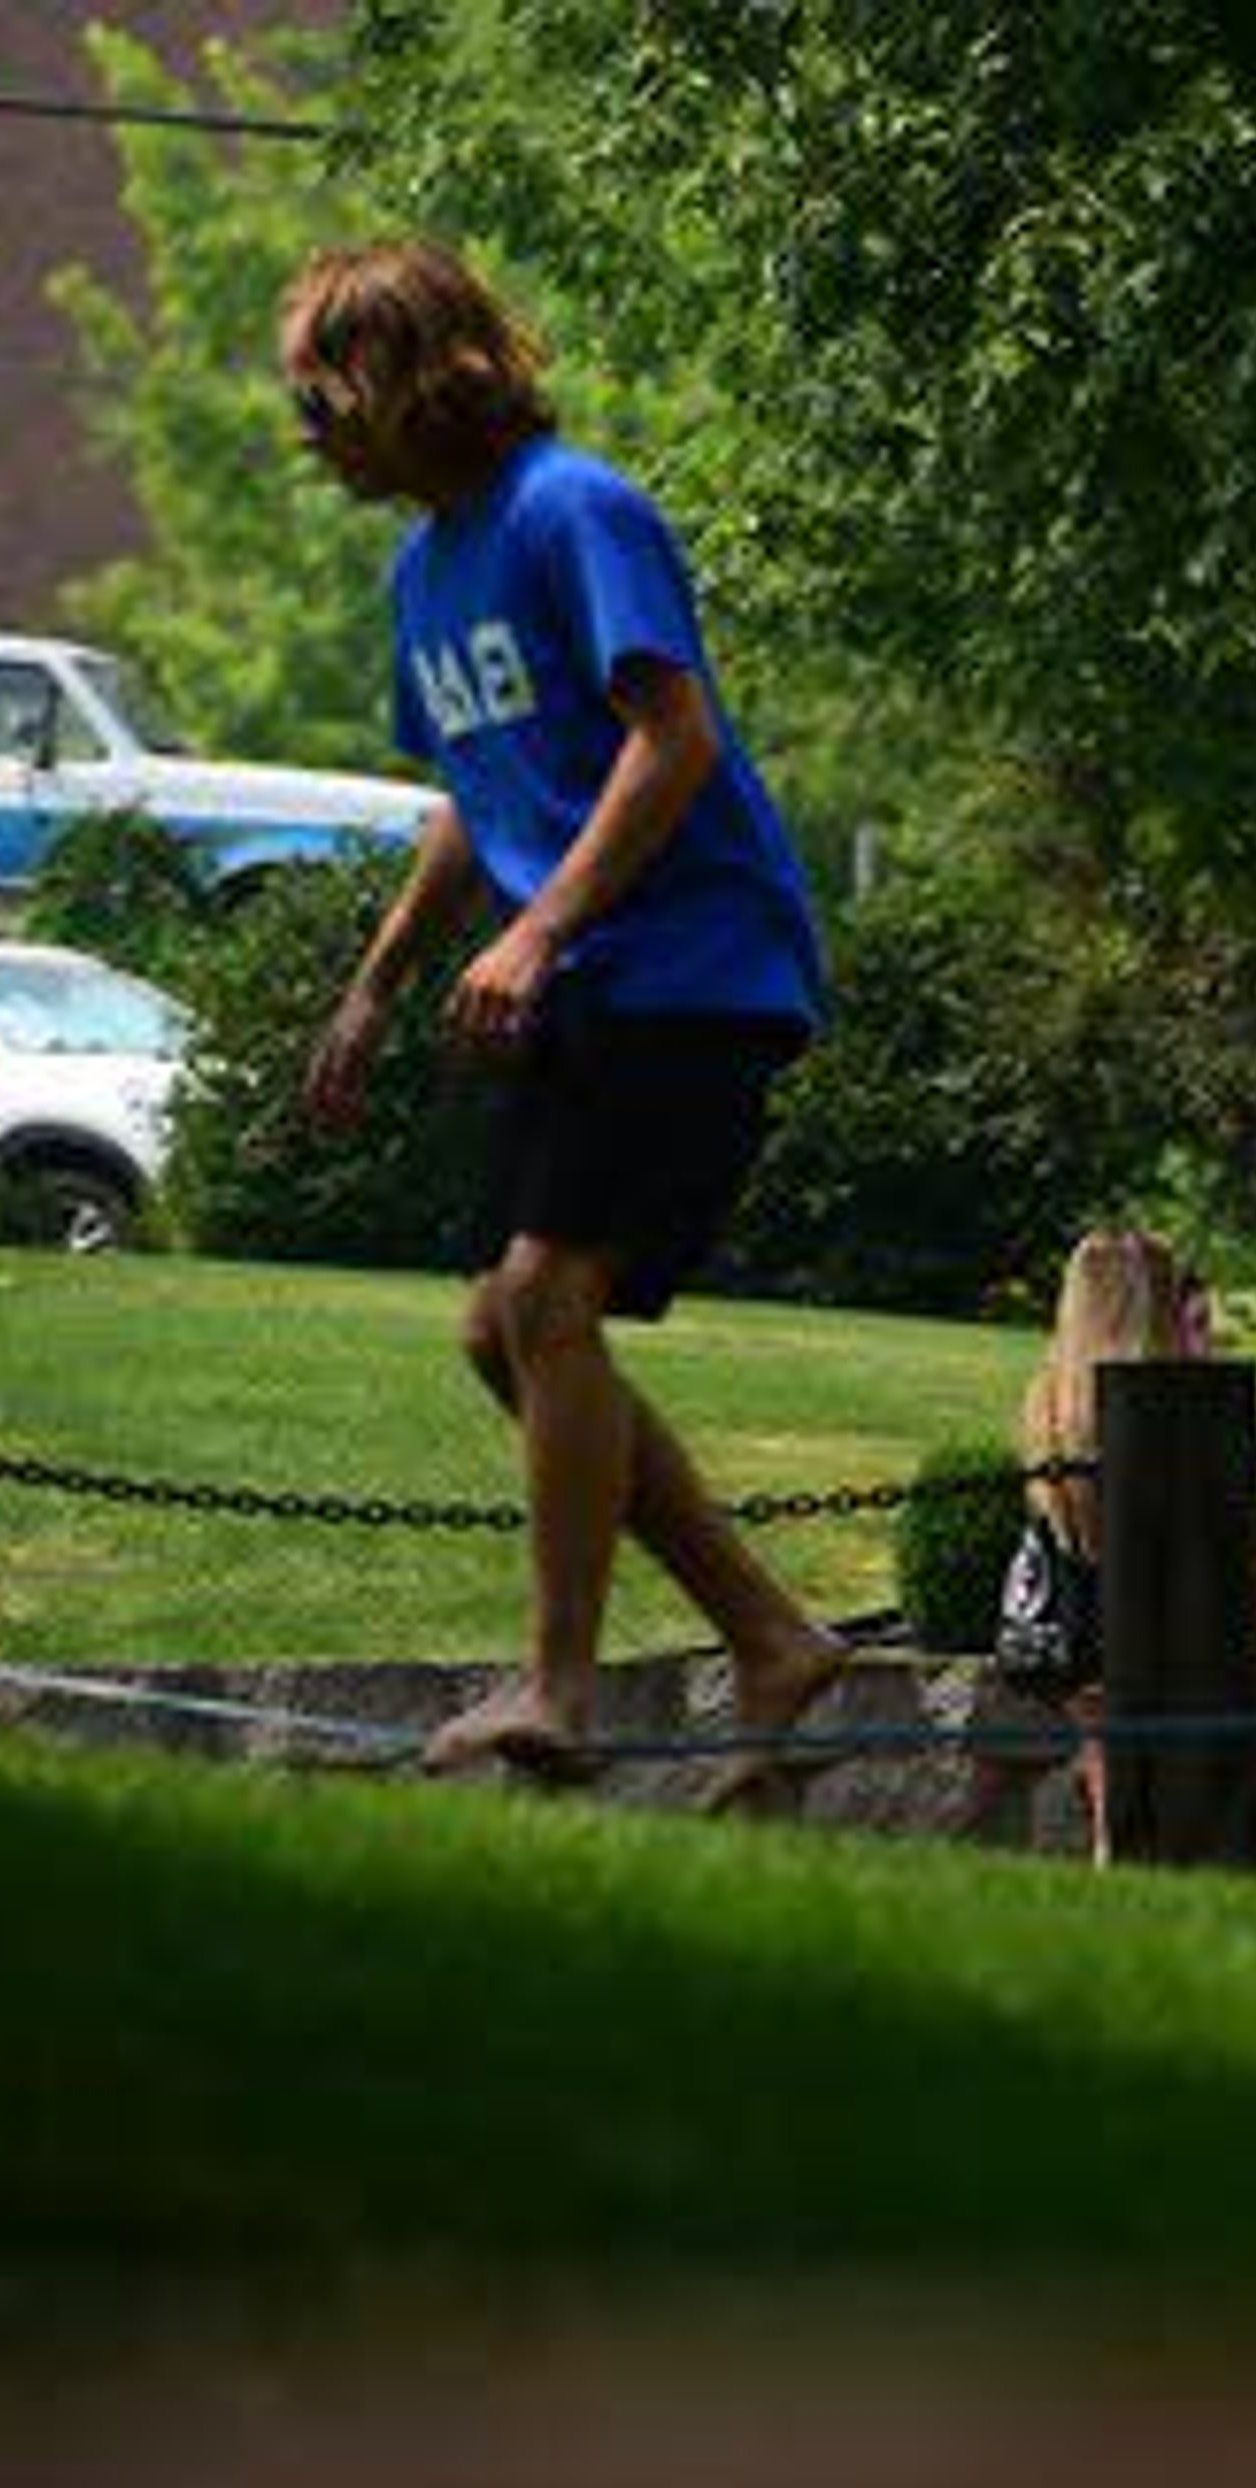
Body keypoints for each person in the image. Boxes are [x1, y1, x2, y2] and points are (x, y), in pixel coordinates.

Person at [284, 240, 839, 1803]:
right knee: (502, 1328)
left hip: (696, 964)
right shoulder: (423, 568)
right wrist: (381, 975)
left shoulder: (573, 509)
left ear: (417, 375)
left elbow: (671, 739)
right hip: (588, 978)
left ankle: (561, 1688)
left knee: (543, 1298)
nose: (306, 424)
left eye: (326, 388)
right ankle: (773, 1634)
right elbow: (479, 789)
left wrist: (541, 927)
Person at [1020, 1226, 1187, 1862]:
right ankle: (1119, 1861)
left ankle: (1110, 1857)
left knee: (1105, 1762)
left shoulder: (1050, 1394)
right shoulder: (1162, 1398)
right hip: (1147, 1625)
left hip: (1071, 1615)